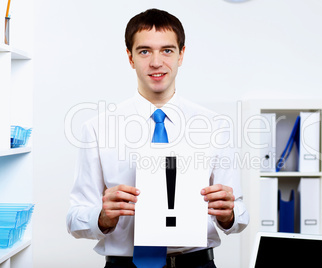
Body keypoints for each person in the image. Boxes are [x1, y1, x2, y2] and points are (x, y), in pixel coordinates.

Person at [66, 8, 249, 268]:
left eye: (167, 50)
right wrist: (102, 217)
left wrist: (229, 214)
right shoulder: (97, 128)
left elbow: (239, 215)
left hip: (196, 264)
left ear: (181, 55)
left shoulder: (215, 125)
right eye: (144, 51)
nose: (156, 62)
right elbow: (74, 219)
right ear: (130, 58)